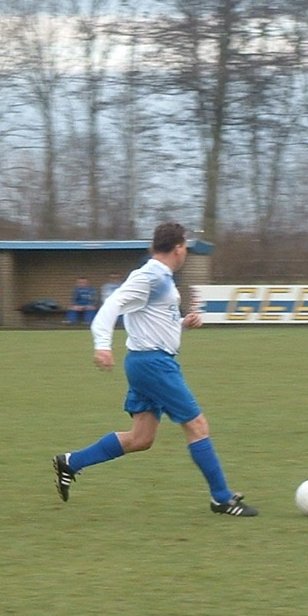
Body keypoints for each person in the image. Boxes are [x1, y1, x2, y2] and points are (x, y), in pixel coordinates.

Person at [52, 222, 259, 517]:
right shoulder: (150, 276)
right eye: (185, 246)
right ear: (178, 248)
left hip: (146, 362)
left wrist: (182, 323)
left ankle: (71, 462)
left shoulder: (161, 278)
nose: (186, 251)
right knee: (197, 425)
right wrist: (102, 345)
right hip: (154, 364)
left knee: (141, 438)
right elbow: (112, 304)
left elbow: (151, 319)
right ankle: (222, 499)